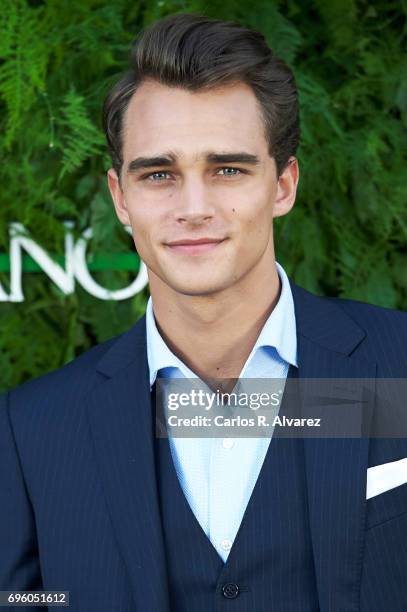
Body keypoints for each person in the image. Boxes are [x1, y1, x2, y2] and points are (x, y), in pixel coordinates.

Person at [1, 12, 407, 612]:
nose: (193, 207)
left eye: (228, 169)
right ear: (120, 197)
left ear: (283, 185)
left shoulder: (397, 366)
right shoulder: (33, 429)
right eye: (159, 174)